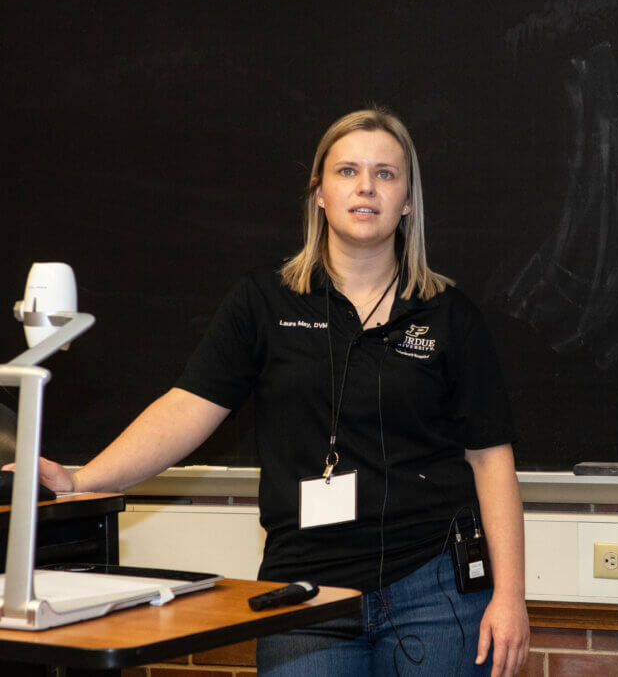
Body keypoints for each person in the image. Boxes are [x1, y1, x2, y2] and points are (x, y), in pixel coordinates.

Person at [8, 108, 529, 676]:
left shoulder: (449, 314)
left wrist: (510, 596)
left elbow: (491, 459)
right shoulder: (264, 301)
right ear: (320, 195)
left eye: (386, 174)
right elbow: (187, 408)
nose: (365, 187)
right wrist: (83, 480)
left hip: (434, 589)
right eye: (347, 171)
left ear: (407, 201)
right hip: (304, 592)